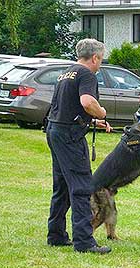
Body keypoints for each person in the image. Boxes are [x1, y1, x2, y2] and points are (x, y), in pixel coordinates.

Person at [46, 38, 112, 254]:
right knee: (82, 187)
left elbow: (66, 107)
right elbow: (86, 102)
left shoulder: (66, 74)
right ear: (95, 57)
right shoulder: (86, 74)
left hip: (55, 130)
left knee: (62, 186)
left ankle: (56, 235)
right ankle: (84, 242)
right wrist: (101, 112)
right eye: (101, 59)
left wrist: (92, 121)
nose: (100, 64)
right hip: (70, 136)